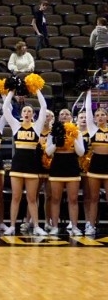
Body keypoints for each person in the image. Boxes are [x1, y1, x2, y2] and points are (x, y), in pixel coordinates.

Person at [1, 89, 48, 236]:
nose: (27, 113)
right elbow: (5, 109)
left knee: (32, 198)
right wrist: (11, 92)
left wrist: (38, 90)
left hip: (31, 164)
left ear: (33, 114)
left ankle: (36, 226)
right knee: (16, 197)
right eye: (25, 111)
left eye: (29, 111)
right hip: (18, 165)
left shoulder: (37, 126)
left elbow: (44, 107)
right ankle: (12, 226)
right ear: (21, 114)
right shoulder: (16, 125)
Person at [44, 107, 84, 236]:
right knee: (55, 199)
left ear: (71, 117)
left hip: (72, 166)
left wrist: (73, 139)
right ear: (58, 117)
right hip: (57, 167)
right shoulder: (52, 132)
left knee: (73, 199)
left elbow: (81, 152)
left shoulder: (77, 132)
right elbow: (48, 152)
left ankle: (74, 227)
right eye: (62, 114)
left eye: (67, 114)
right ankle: (55, 226)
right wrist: (56, 143)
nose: (64, 116)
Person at [83, 92, 108, 236]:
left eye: (102, 114)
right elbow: (87, 110)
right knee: (94, 198)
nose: (100, 117)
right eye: (97, 115)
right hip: (95, 164)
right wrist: (88, 93)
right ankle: (90, 225)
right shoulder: (92, 129)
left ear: (107, 117)